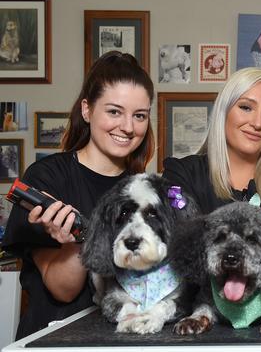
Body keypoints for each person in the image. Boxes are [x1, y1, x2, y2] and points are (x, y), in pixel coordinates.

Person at [1, 51, 155, 338]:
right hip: (58, 338)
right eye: (114, 111)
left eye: (140, 116)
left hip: (124, 339)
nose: (128, 127)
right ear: (87, 110)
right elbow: (63, 292)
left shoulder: (144, 190)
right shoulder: (47, 178)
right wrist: (75, 244)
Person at [162, 67, 261, 260]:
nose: (257, 123)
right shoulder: (181, 174)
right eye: (246, 107)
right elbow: (179, 246)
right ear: (224, 110)